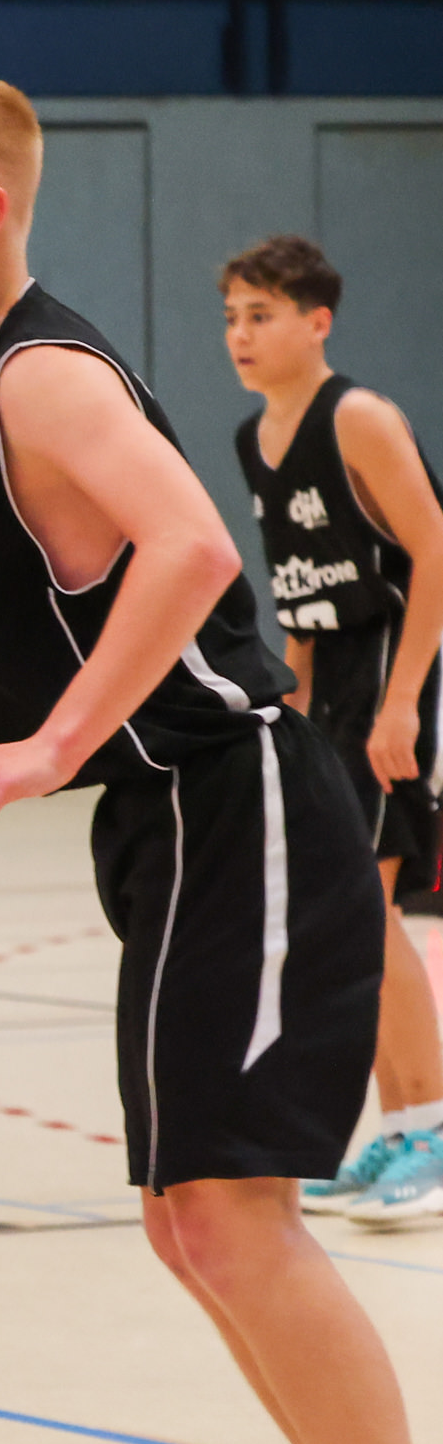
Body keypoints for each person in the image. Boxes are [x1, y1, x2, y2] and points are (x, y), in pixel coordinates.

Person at [0, 67, 443, 1444]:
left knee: (232, 1218)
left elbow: (190, 551)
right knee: (192, 1226)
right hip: (168, 818)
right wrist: (20, 723)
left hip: (239, 802)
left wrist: (50, 737)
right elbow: (105, 597)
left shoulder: (40, 371)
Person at [225, 235, 443, 1229]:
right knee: (351, 921)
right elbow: (300, 600)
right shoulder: (254, 439)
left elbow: (433, 547)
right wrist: (288, 712)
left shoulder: (355, 417)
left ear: (316, 322)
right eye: (231, 316)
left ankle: (429, 1127)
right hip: (334, 694)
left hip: (398, 674)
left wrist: (401, 702)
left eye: (260, 314)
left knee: (367, 913)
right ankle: (401, 1125)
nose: (239, 334)